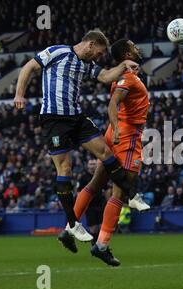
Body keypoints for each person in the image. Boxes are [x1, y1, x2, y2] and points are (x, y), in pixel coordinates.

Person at [13, 29, 140, 248]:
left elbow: (105, 76)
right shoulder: (57, 51)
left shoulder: (87, 65)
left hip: (77, 117)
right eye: (98, 53)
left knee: (106, 152)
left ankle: (131, 194)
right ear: (90, 44)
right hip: (54, 119)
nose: (98, 57)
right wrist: (19, 93)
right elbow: (29, 67)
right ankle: (73, 223)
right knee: (65, 169)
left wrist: (123, 65)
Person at [72, 39, 150, 266]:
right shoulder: (127, 78)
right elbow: (113, 104)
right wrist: (116, 128)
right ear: (127, 53)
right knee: (120, 192)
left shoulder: (124, 75)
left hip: (117, 133)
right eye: (134, 46)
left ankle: (70, 226)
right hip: (126, 137)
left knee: (96, 183)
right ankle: (102, 245)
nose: (138, 48)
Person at [77, 159, 105, 246]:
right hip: (90, 205)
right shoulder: (83, 177)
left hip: (100, 204)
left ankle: (101, 245)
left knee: (101, 227)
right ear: (88, 166)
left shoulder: (101, 175)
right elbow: (79, 192)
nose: (92, 166)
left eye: (94, 164)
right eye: (90, 164)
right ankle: (94, 245)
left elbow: (107, 189)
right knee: (93, 228)